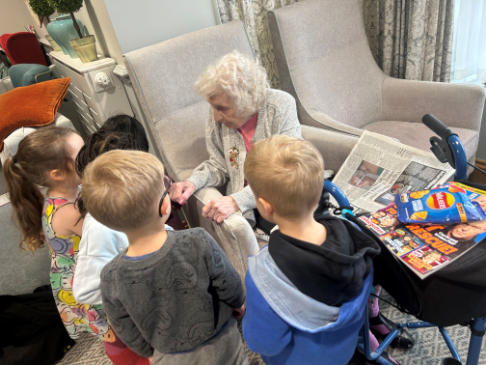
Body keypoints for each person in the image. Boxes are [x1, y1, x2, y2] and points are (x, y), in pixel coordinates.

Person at [240, 135, 401, 365]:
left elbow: (264, 343)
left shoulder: (263, 277)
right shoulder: (357, 238)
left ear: (265, 207)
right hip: (342, 352)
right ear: (320, 191)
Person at [81, 150, 248, 365]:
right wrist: (238, 303)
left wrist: (146, 352)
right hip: (221, 342)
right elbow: (227, 281)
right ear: (164, 205)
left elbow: (122, 323)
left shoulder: (110, 276)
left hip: (168, 356)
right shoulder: (197, 240)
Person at [169, 50, 303, 236]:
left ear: (247, 100)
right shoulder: (217, 117)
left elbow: (288, 172)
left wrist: (238, 200)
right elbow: (219, 166)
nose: (215, 116)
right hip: (252, 210)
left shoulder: (280, 106)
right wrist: (192, 182)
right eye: (212, 107)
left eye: (222, 108)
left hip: (280, 201)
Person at [3, 126, 111, 340]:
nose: (90, 158)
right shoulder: (67, 212)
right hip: (83, 279)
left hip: (84, 266)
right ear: (58, 174)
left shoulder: (70, 191)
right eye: (82, 155)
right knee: (114, 330)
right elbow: (107, 235)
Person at [73, 129, 164, 365]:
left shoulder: (135, 213)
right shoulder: (99, 229)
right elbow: (85, 290)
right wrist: (134, 287)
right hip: (133, 342)